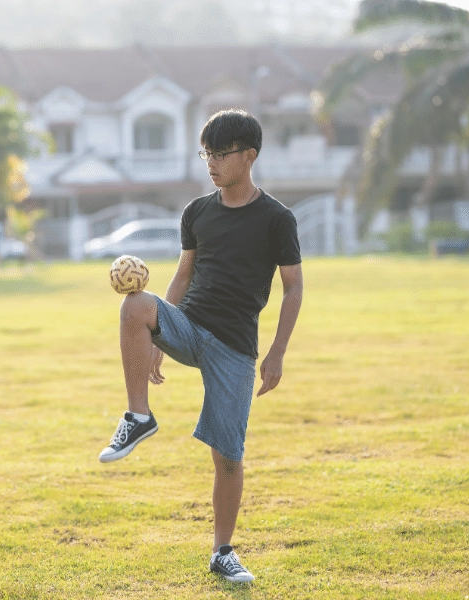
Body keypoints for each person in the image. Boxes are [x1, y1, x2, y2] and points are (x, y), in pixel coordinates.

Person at [98, 109, 304, 583]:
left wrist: (277, 352)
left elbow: (293, 287)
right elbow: (184, 273)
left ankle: (222, 551)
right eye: (205, 153)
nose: (210, 162)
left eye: (220, 153)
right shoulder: (196, 212)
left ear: (248, 156)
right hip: (190, 325)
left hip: (235, 347)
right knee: (135, 307)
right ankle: (138, 416)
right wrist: (158, 339)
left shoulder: (277, 219)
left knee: (228, 456)